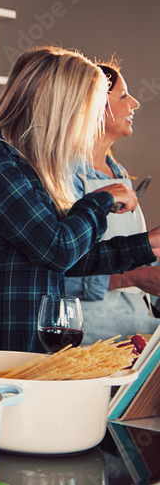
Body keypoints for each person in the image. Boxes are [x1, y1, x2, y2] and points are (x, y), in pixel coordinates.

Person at [0, 46, 160, 353]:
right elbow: (57, 250)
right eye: (90, 111)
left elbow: (73, 259)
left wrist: (146, 245)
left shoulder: (30, 164)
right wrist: (100, 199)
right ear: (63, 106)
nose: (91, 125)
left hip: (36, 355)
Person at [65, 61, 160, 342]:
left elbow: (132, 253)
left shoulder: (119, 175)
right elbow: (52, 270)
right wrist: (130, 278)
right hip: (88, 341)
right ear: (92, 105)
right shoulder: (65, 177)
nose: (134, 103)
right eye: (122, 95)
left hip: (135, 333)